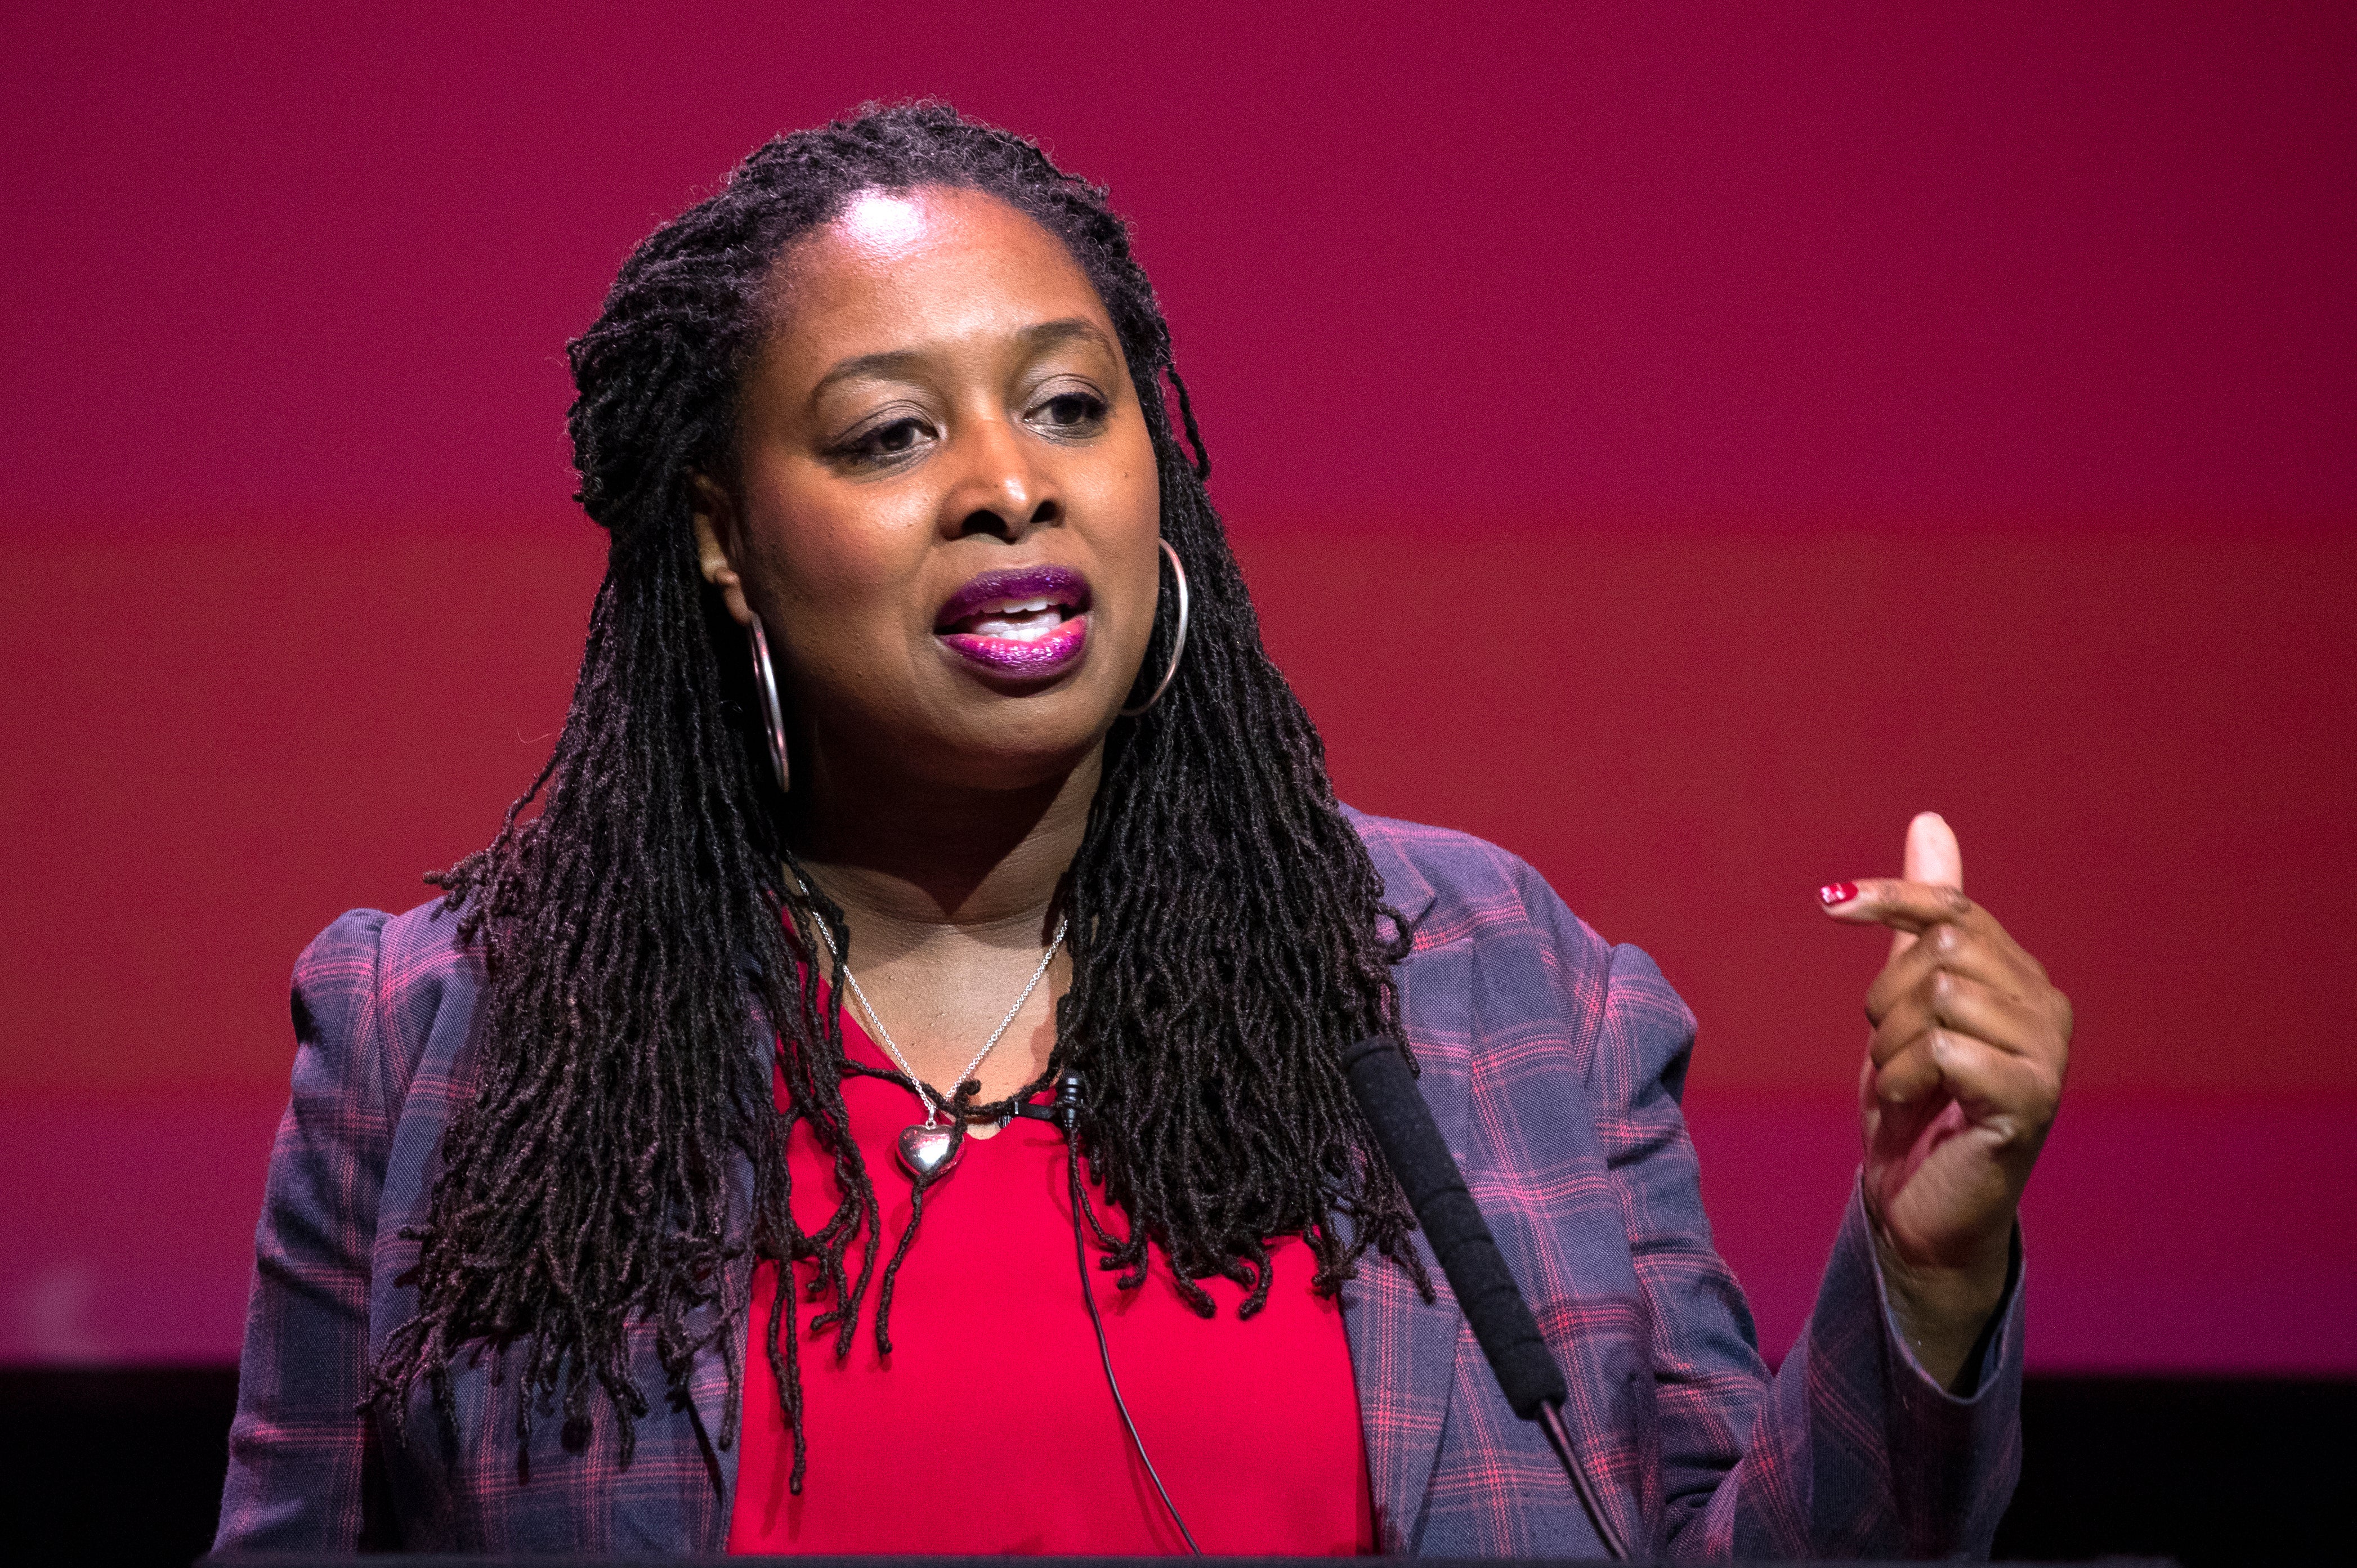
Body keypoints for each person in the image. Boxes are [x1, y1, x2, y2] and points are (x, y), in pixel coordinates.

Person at [214, 102, 2070, 1558]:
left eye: (1068, 406)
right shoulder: (440, 1038)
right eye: (885, 436)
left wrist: (1922, 1275)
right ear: (719, 537)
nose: (1008, 480)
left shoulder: (1486, 986)